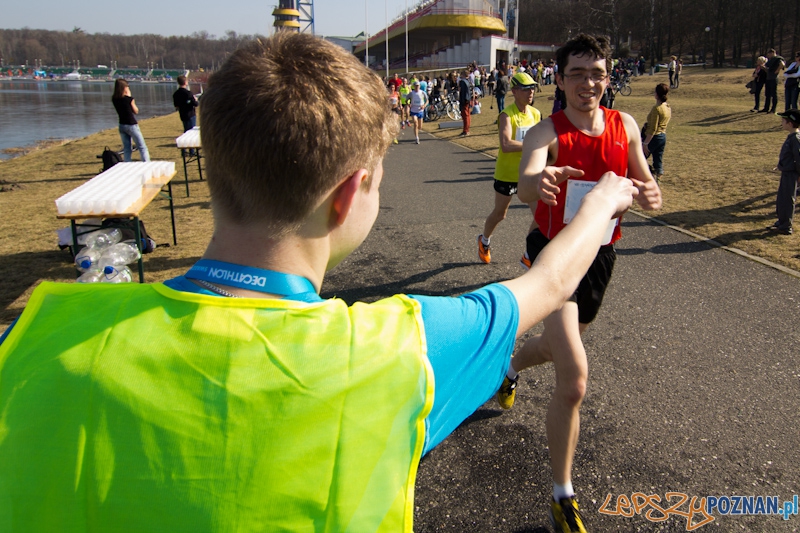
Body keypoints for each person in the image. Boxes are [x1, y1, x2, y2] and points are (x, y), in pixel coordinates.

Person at [0, 32, 641, 532]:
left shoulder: (41, 333)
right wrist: (602, 203)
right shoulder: (403, 346)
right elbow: (549, 282)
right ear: (347, 197)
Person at [499, 33, 662, 533]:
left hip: (600, 255)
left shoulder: (624, 124)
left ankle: (509, 367)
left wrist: (650, 191)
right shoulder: (544, 132)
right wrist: (540, 182)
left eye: (597, 74)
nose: (588, 83)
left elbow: (642, 177)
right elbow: (526, 183)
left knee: (553, 347)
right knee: (573, 380)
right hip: (553, 257)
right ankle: (562, 496)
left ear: (607, 78)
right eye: (577, 73)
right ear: (560, 78)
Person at [477, 72, 541, 266]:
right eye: (526, 88)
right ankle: (484, 241)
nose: (530, 92)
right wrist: (531, 144)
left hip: (528, 173)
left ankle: (529, 254)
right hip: (507, 173)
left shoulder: (535, 113)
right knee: (500, 214)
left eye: (532, 88)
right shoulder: (506, 115)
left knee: (541, 215)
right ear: (514, 91)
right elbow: (505, 144)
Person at [768, 109, 800, 235]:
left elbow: (798, 158)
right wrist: (781, 165)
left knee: (787, 199)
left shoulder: (795, 139)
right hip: (786, 171)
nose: (781, 123)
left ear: (790, 124)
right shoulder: (792, 137)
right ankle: (781, 221)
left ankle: (786, 226)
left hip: (791, 174)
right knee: (782, 198)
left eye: (783, 120)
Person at [111, 78, 150, 162]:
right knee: (142, 147)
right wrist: (131, 98)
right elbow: (136, 111)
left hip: (122, 125)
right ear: (124, 88)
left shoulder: (114, 99)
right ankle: (146, 163)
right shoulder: (128, 99)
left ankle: (127, 163)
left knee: (127, 148)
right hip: (131, 125)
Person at [642, 83, 672, 183]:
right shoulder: (667, 107)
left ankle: (648, 175)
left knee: (639, 158)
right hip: (662, 137)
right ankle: (658, 180)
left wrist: (645, 143)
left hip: (654, 137)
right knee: (658, 160)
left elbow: (653, 129)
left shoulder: (657, 108)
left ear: (657, 94)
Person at [173, 74, 199, 156]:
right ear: (185, 82)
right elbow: (195, 104)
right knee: (191, 132)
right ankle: (192, 151)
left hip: (182, 114)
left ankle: (183, 151)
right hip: (190, 114)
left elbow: (176, 106)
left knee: (185, 131)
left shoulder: (176, 94)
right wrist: (195, 100)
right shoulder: (188, 93)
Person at [761, 48, 785, 113]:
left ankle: (773, 109)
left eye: (769, 54)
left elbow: (782, 64)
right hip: (768, 78)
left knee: (773, 94)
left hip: (774, 78)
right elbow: (768, 70)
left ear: (772, 53)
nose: (768, 56)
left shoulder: (777, 59)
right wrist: (764, 68)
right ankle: (766, 108)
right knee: (767, 94)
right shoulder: (770, 60)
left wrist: (777, 70)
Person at [408, 80, 428, 144]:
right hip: (413, 110)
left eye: (418, 86)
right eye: (416, 86)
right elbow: (407, 99)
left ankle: (417, 131)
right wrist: (409, 104)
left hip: (420, 110)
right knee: (415, 123)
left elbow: (427, 101)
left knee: (420, 127)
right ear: (414, 86)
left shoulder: (422, 92)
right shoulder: (412, 93)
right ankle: (417, 137)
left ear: (419, 86)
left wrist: (424, 105)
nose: (417, 87)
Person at [459, 69, 472, 136]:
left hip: (464, 100)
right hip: (468, 100)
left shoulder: (463, 82)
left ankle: (466, 130)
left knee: (465, 116)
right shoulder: (469, 81)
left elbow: (462, 92)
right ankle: (467, 129)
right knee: (468, 115)